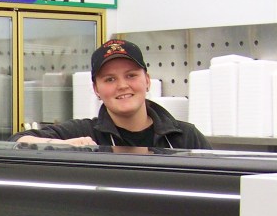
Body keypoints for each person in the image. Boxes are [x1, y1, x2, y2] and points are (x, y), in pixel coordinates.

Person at [14, 38, 211, 149]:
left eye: (131, 75)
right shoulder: (84, 132)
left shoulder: (185, 137)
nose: (122, 85)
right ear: (96, 90)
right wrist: (63, 145)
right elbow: (17, 141)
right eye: (110, 79)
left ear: (147, 80)